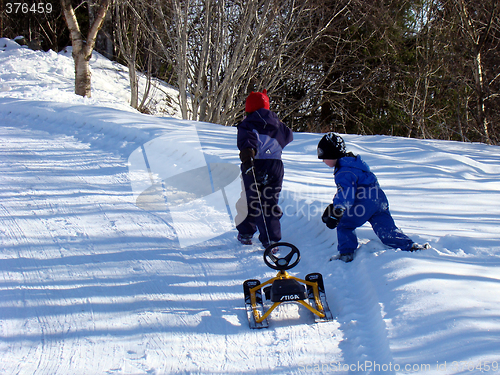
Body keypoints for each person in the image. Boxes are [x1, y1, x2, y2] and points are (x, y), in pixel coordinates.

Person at [317, 132, 428, 262]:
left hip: (363, 202)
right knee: (387, 231)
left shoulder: (343, 171)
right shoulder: (355, 164)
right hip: (378, 199)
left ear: (332, 154)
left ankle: (346, 254)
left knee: (344, 225)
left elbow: (346, 192)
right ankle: (410, 246)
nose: (323, 161)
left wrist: (338, 210)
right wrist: (335, 204)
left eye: (324, 158)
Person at [235, 89, 293, 248]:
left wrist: (248, 159)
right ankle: (271, 240)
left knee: (249, 200)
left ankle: (246, 233)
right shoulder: (278, 124)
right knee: (269, 203)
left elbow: (248, 143)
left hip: (255, 165)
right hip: (275, 166)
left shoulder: (248, 124)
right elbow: (289, 136)